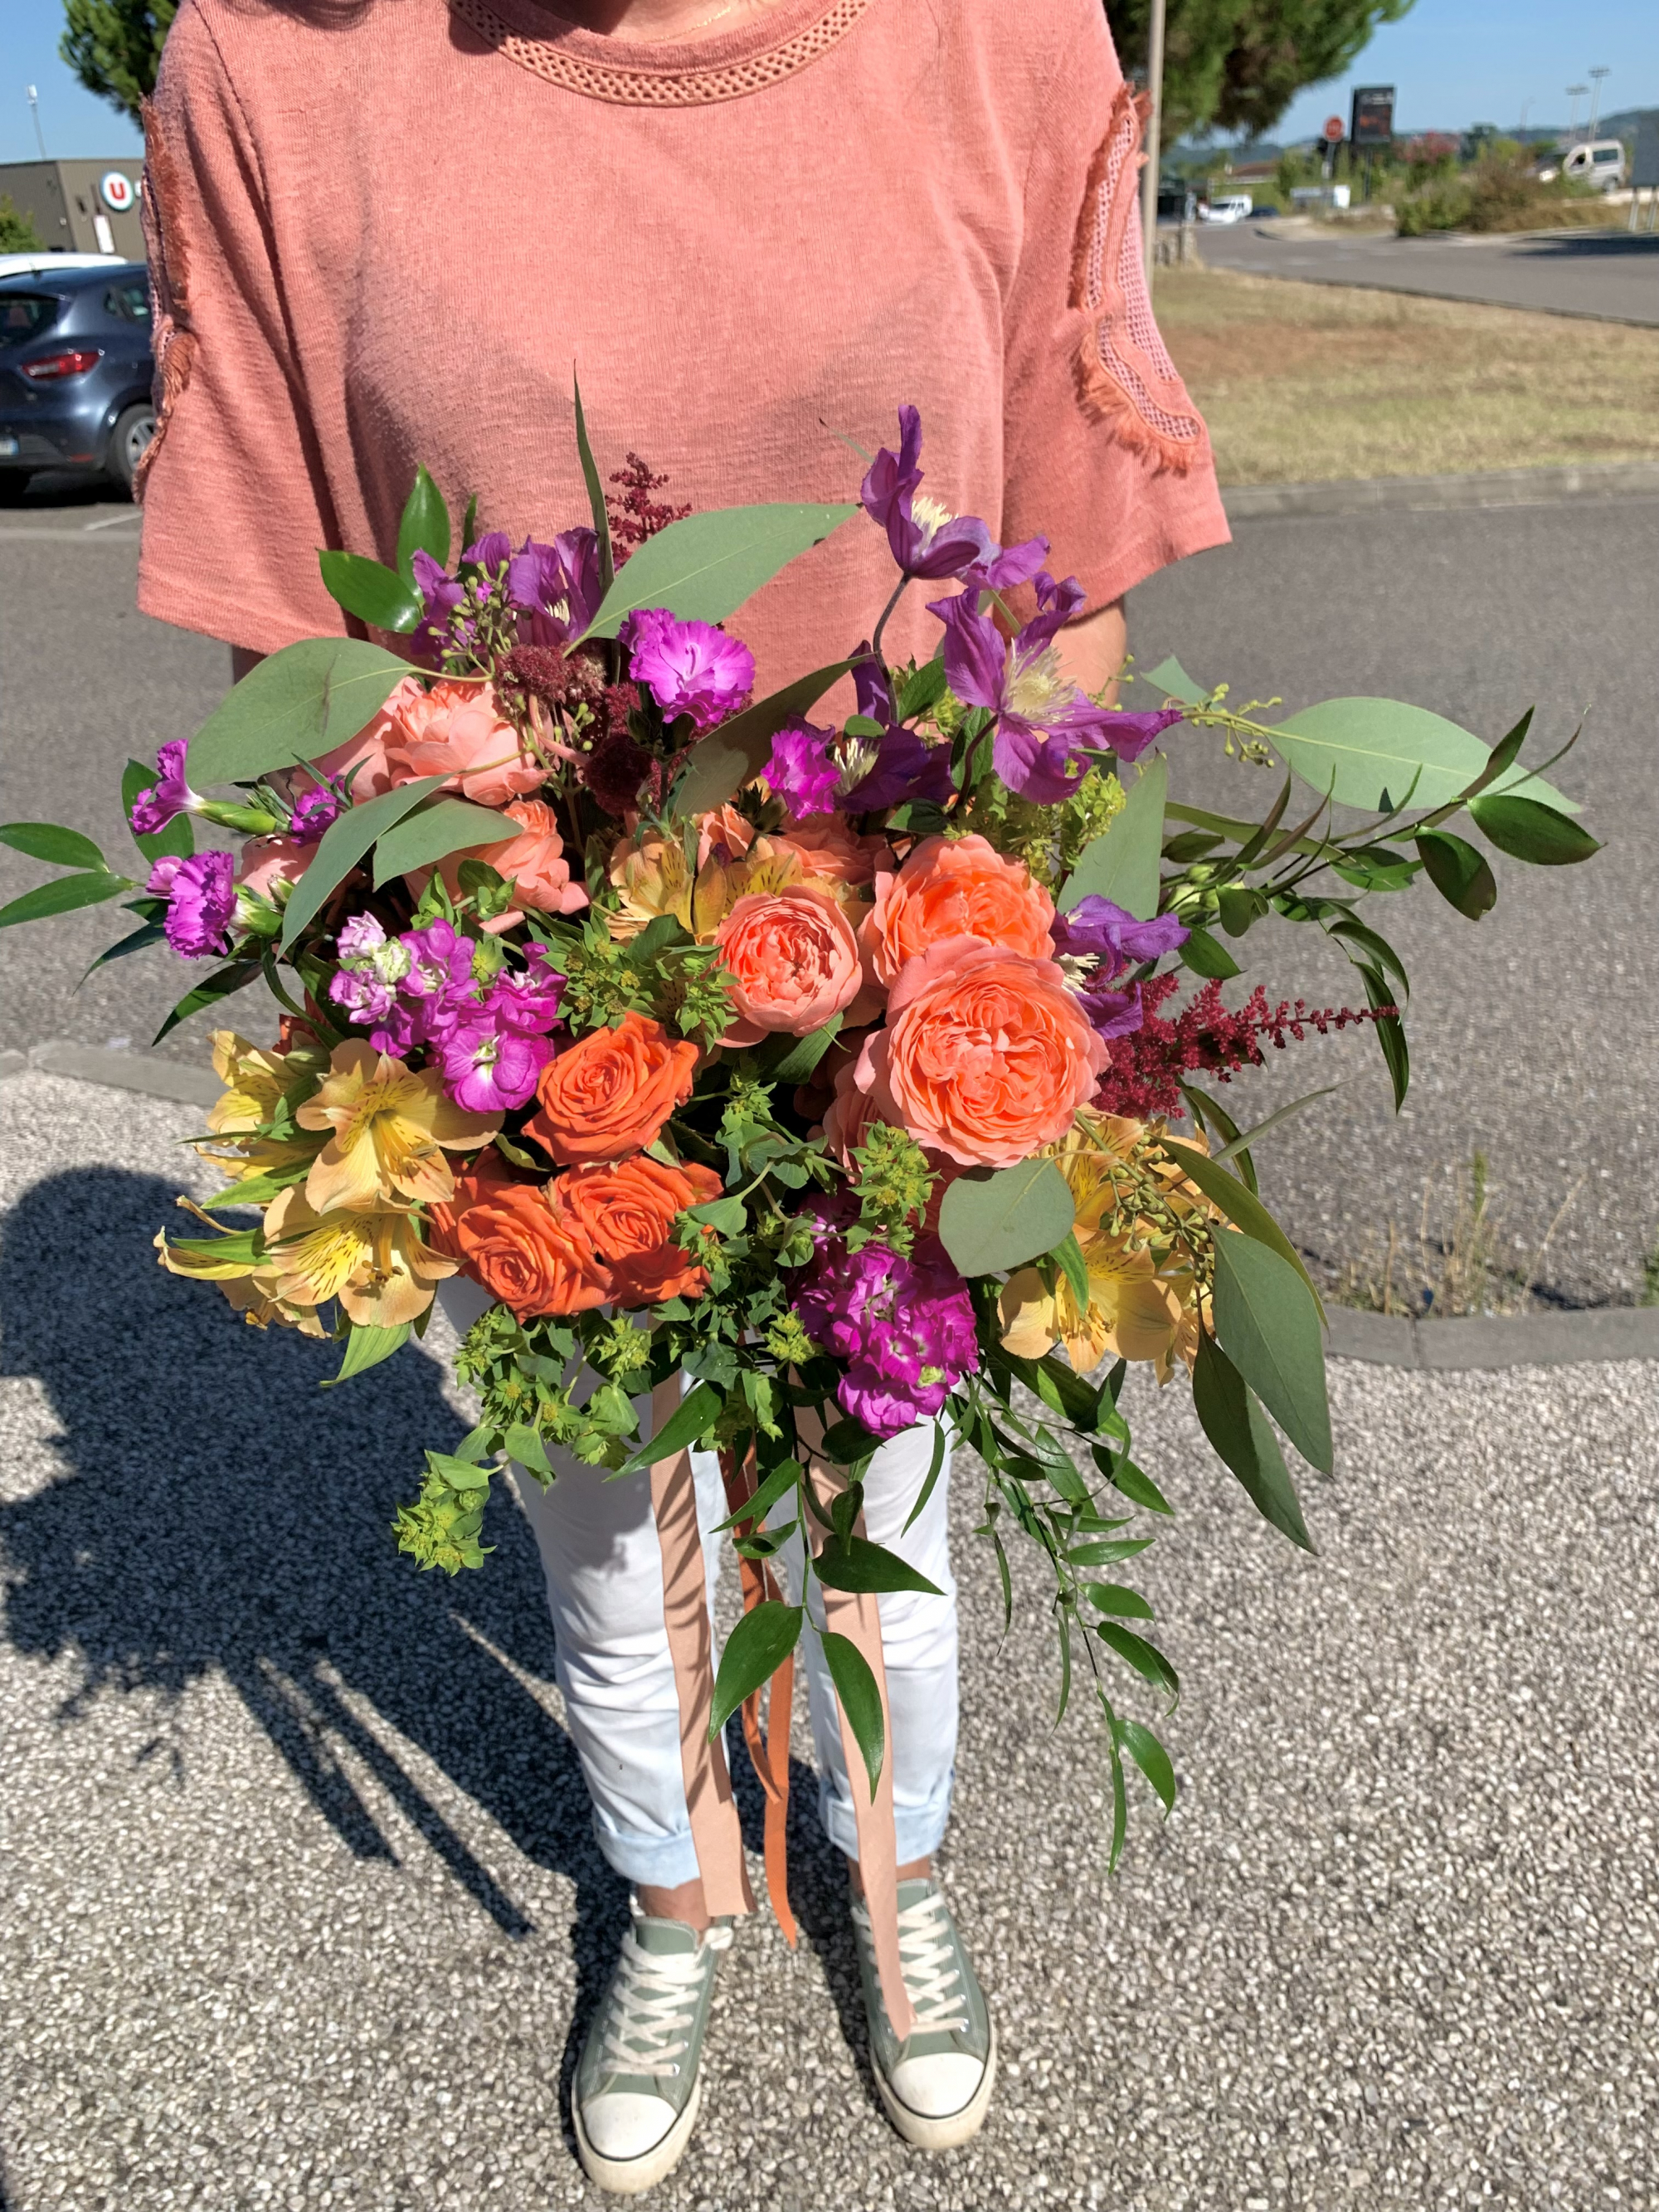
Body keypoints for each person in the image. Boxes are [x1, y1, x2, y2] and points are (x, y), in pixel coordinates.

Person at [135, 0, 1228, 2190]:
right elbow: (286, 639)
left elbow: (1075, 565)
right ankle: (671, 1895)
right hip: (533, 1019)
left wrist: (982, 966)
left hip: (890, 993)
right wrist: (426, 1003)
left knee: (889, 1495)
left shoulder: (1001, 29)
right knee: (609, 1524)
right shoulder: (269, 64)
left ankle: (896, 1882)